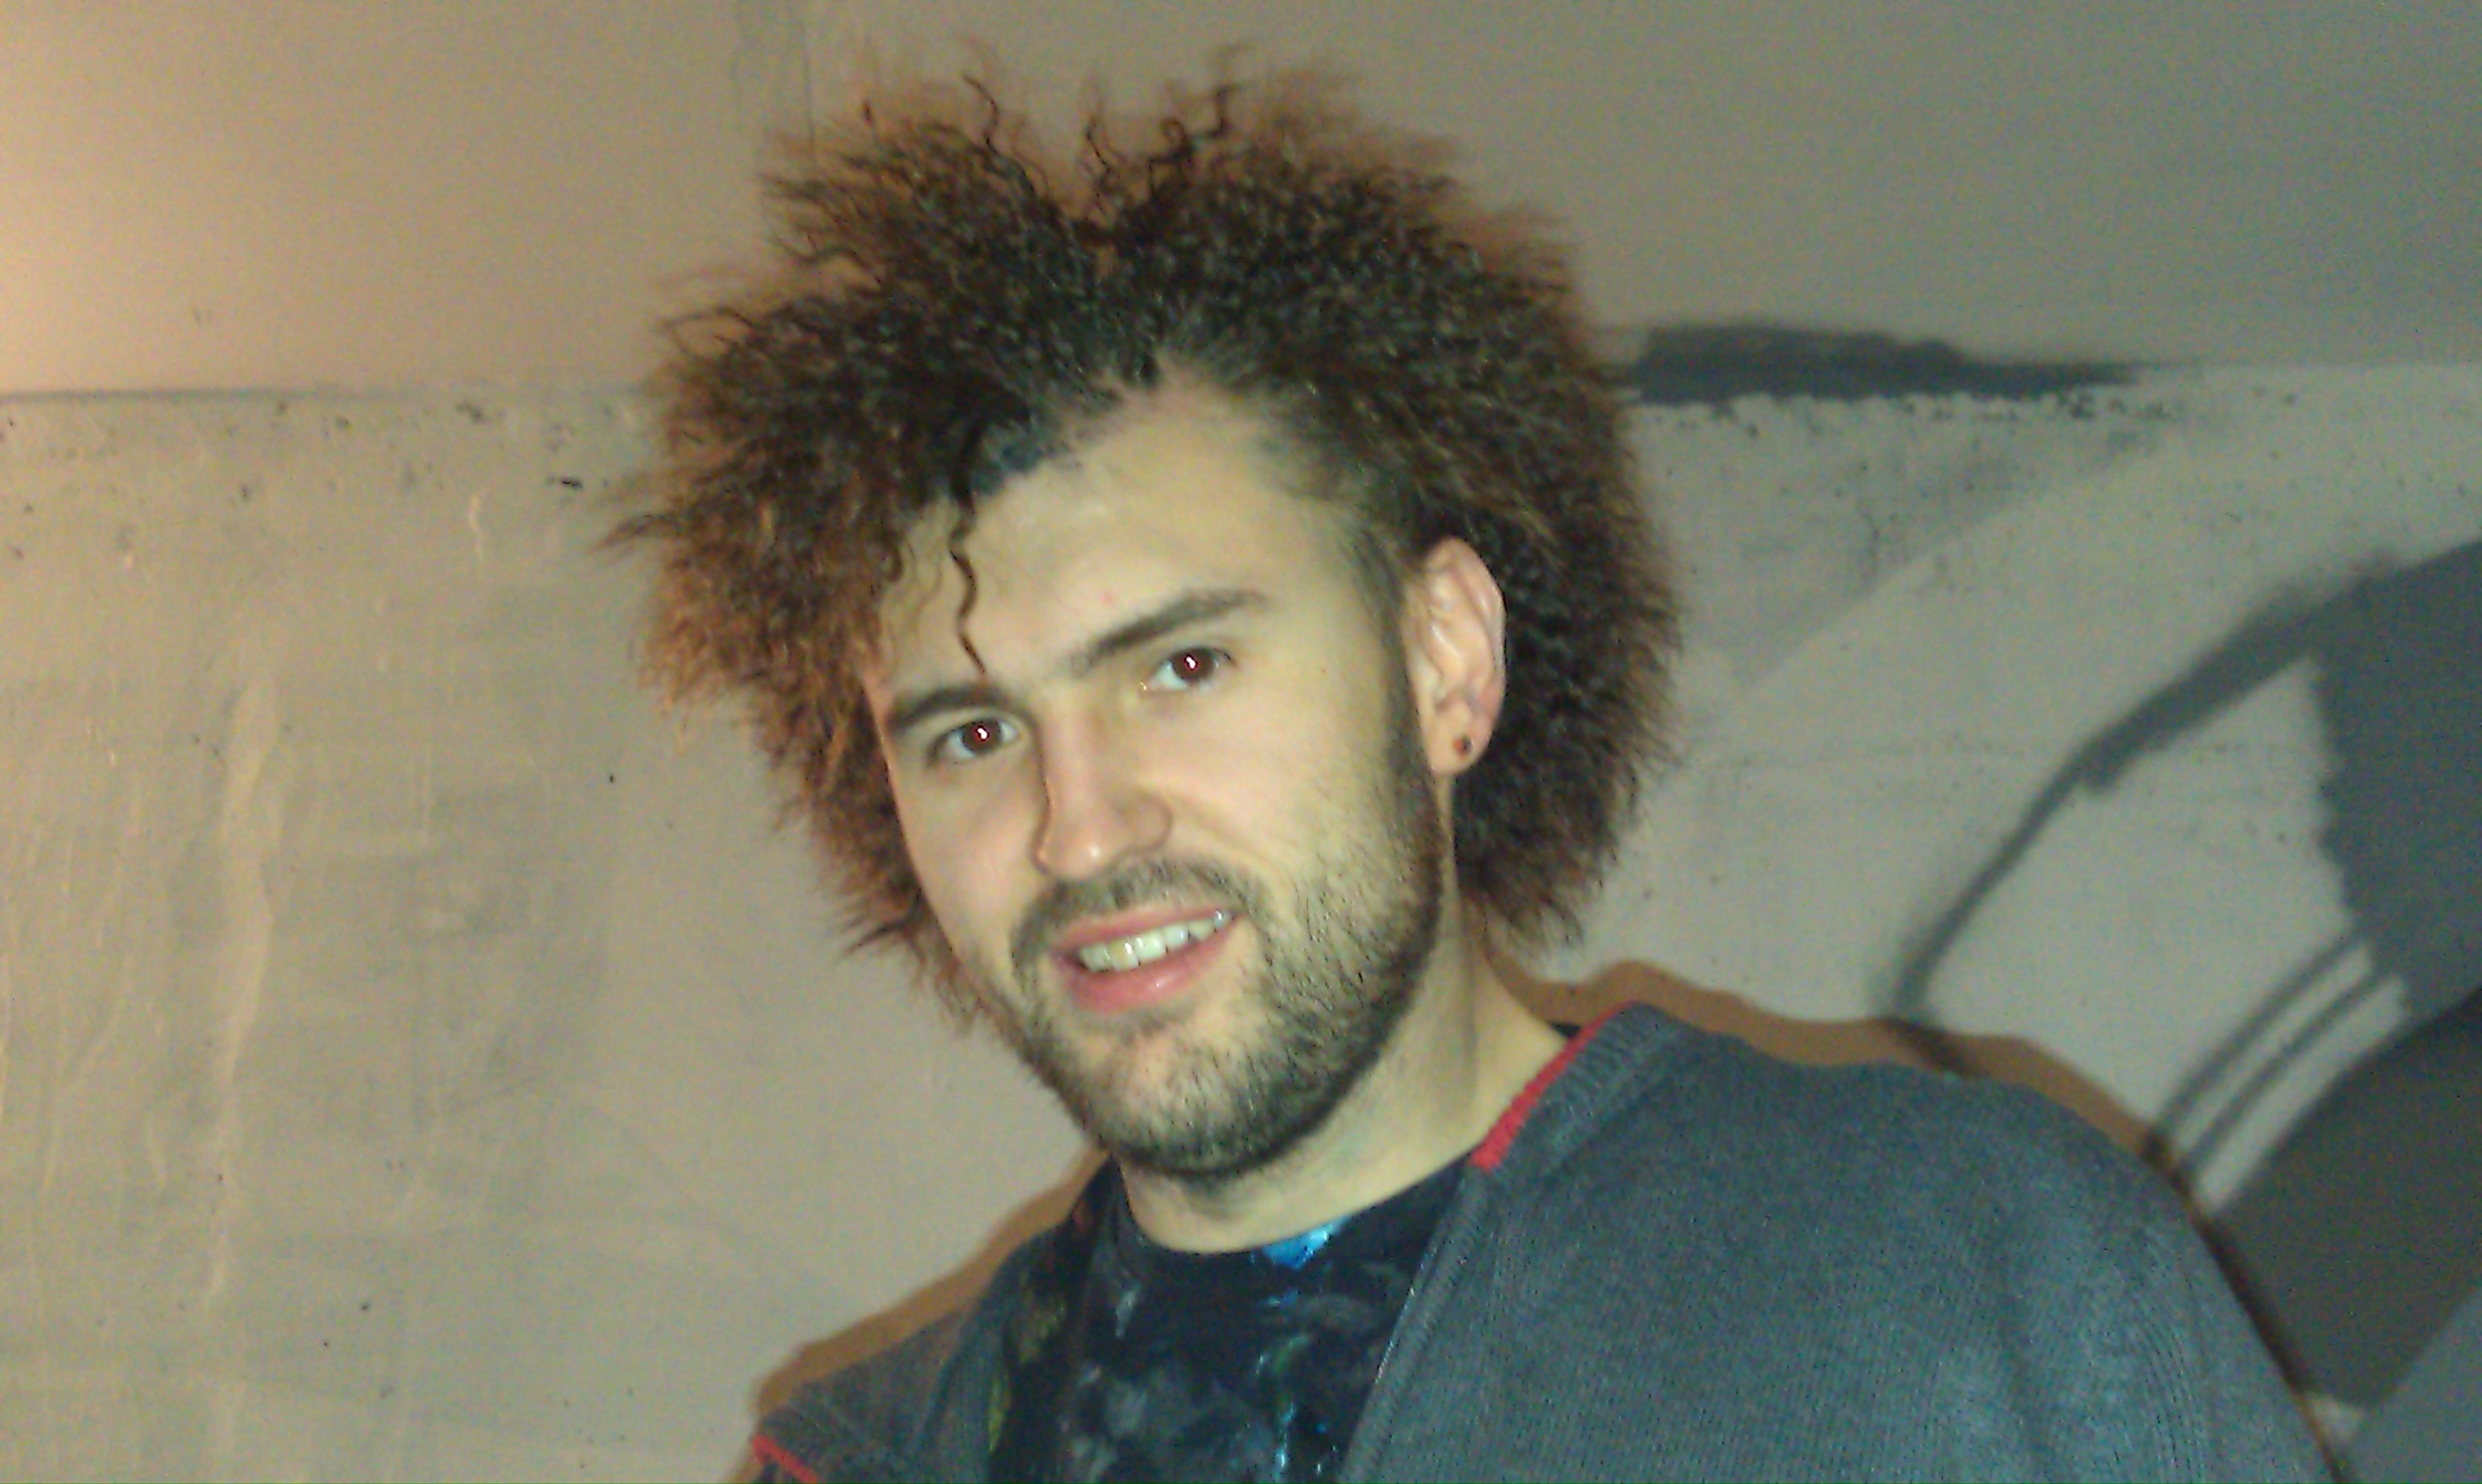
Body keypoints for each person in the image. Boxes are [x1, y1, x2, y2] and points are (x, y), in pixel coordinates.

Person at [623, 77, 2328, 1482]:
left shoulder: (1984, 1268)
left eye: (1183, 668)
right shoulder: (858, 1458)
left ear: (1445, 661)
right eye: (975, 735)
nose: (1080, 829)